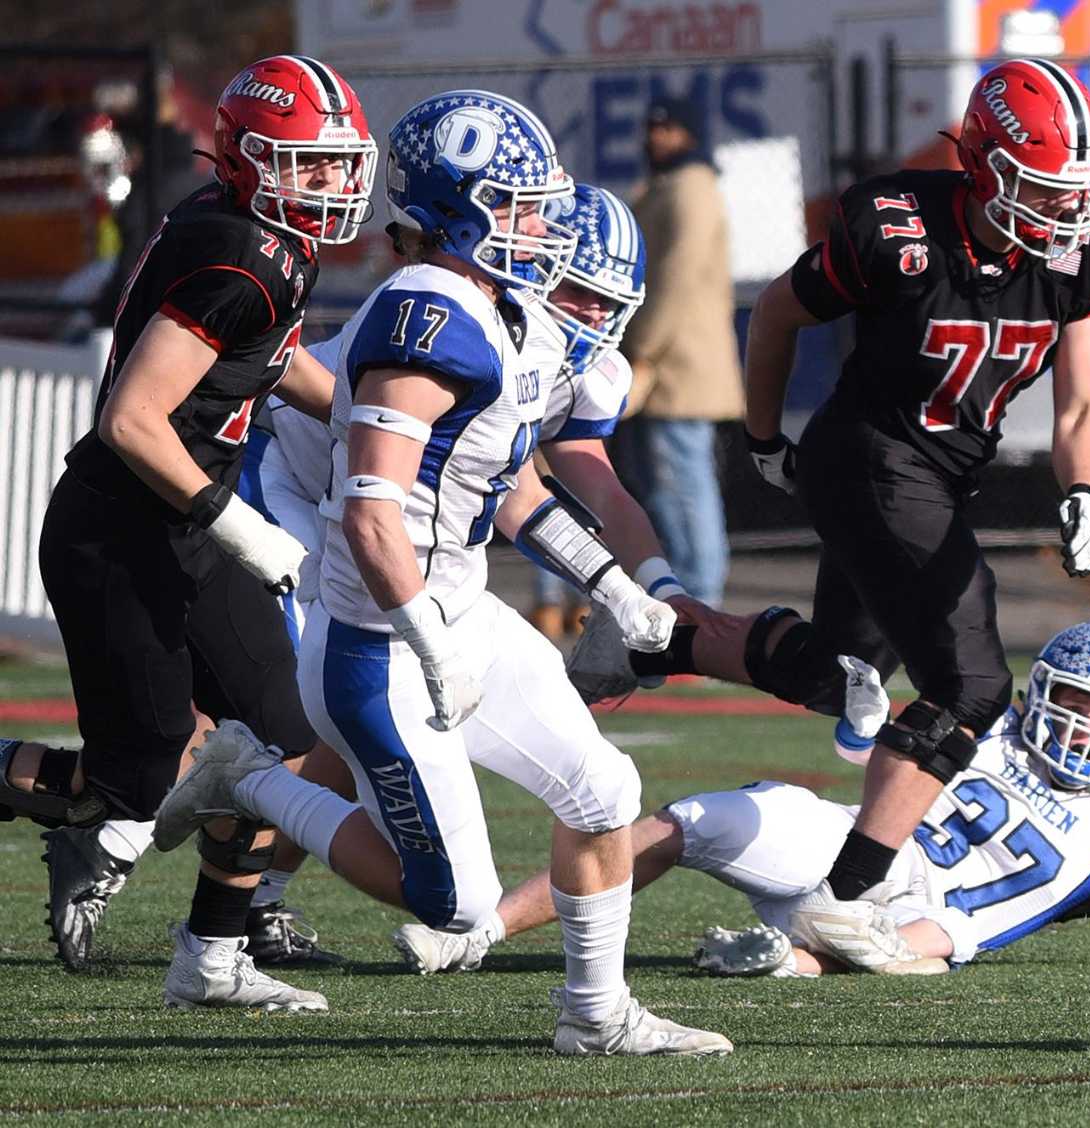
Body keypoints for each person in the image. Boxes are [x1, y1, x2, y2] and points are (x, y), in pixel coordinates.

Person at [146, 88, 742, 1057]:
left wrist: (618, 585)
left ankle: (595, 1018)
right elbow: (375, 518)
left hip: (456, 599)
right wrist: (432, 644)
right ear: (458, 208)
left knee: (603, 791)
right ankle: (248, 776)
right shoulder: (430, 314)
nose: (539, 225)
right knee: (456, 905)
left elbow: (504, 485)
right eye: (515, 204)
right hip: (382, 637)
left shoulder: (504, 313)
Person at [385, 618, 1090, 979]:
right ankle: (484, 930)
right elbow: (879, 752)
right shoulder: (985, 716)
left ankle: (793, 960)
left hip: (908, 928)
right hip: (847, 857)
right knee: (693, 818)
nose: (1087, 731)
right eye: (1079, 707)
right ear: (1041, 691)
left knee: (915, 936)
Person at [741, 58, 1090, 972]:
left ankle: (660, 638)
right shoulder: (898, 228)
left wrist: (1084, 490)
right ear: (986, 168)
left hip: (945, 470)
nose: (1069, 215)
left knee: (837, 672)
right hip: (869, 456)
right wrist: (764, 437)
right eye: (1044, 191)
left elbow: (1082, 406)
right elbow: (775, 311)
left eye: (1078, 192)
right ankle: (840, 900)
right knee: (974, 686)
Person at [0, 56, 376, 1008]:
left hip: (186, 529)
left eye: (338, 163)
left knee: (282, 737)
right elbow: (131, 419)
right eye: (312, 163)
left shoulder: (265, 237)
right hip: (122, 534)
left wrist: (373, 425)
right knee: (134, 777)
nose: (332, 183)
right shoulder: (241, 252)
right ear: (252, 161)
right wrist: (239, 526)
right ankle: (91, 827)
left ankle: (211, 960)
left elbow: (269, 354)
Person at [614, 94, 743, 607]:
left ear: (689, 133)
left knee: (683, 491)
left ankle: (700, 605)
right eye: (650, 125)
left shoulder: (691, 188)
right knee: (664, 490)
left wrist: (640, 348)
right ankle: (684, 599)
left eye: (667, 127)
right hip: (667, 364)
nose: (654, 135)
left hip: (676, 367)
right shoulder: (672, 185)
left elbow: (676, 278)